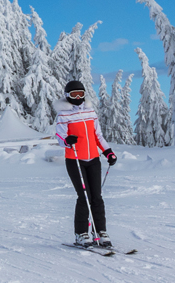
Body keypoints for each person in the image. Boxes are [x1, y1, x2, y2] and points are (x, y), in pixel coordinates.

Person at [54, 80, 119, 249]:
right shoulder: (63, 115)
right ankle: (81, 233)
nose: (77, 97)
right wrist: (67, 140)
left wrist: (108, 152)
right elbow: (60, 136)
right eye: (73, 94)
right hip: (75, 160)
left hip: (93, 160)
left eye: (80, 94)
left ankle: (100, 232)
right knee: (84, 197)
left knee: (97, 197)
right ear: (67, 96)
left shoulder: (90, 112)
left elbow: (98, 136)